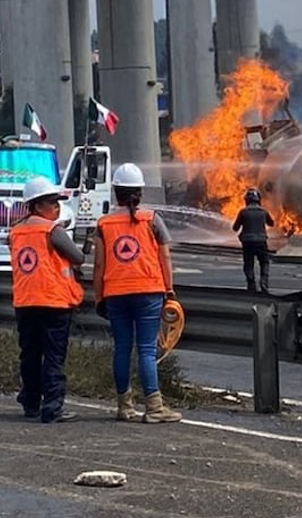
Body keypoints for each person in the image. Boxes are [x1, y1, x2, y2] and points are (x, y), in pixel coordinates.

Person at [91, 163, 182, 424]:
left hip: (115, 293)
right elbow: (165, 257)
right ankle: (154, 407)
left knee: (122, 348)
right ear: (140, 193)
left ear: (115, 192)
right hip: (149, 291)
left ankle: (124, 406)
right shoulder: (152, 220)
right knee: (146, 349)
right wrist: (169, 290)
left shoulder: (103, 224)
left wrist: (99, 297)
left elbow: (99, 265)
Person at [9, 177, 85, 424]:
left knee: (29, 355)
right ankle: (52, 407)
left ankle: (30, 402)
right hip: (54, 302)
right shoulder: (52, 230)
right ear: (37, 205)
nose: (57, 207)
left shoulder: (15, 231)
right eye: (53, 202)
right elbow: (78, 257)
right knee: (53, 356)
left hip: (25, 302)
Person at [232, 187, 275, 292]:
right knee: (264, 262)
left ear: (246, 200)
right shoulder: (263, 211)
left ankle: (251, 284)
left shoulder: (243, 212)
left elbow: (235, 228)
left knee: (248, 264)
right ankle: (264, 282)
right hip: (261, 241)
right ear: (258, 200)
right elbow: (271, 223)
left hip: (247, 243)